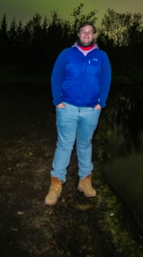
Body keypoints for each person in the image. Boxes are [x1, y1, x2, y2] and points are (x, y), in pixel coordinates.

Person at [44, 22, 112, 206]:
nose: (87, 34)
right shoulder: (66, 54)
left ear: (95, 35)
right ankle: (56, 183)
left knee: (84, 144)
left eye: (90, 32)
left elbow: (106, 80)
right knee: (65, 144)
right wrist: (57, 101)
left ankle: (85, 181)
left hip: (91, 110)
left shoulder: (102, 57)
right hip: (67, 107)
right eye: (84, 31)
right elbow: (56, 76)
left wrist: (101, 103)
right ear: (78, 34)